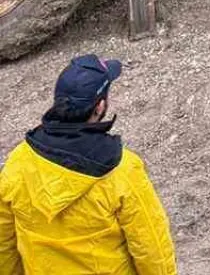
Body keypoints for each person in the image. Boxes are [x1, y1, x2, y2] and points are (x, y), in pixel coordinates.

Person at [0, 54, 177, 275]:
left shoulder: (18, 161)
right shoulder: (122, 170)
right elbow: (152, 248)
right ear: (100, 106)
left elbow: (4, 246)